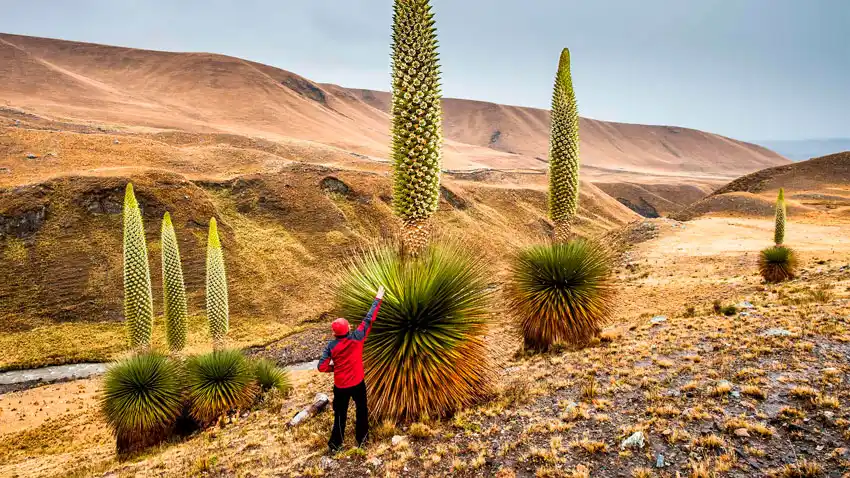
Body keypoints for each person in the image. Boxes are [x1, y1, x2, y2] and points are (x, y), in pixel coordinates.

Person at [318, 285, 385, 452]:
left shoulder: (331, 346)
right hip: (358, 383)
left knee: (340, 414)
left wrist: (335, 368)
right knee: (361, 410)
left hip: (341, 386)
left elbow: (321, 367)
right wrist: (378, 298)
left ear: (334, 333)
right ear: (348, 329)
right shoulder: (358, 337)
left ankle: (335, 445)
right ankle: (362, 440)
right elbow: (369, 319)